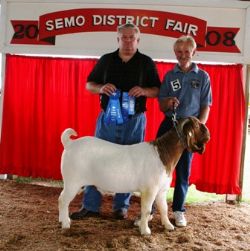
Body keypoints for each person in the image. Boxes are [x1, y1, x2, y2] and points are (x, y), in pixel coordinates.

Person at [70, 23, 161, 220]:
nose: (128, 41)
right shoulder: (106, 60)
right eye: (124, 37)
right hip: (107, 120)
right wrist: (101, 88)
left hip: (135, 121)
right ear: (117, 39)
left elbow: (158, 90)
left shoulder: (146, 62)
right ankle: (90, 205)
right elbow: (89, 85)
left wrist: (145, 91)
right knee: (97, 160)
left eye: (132, 38)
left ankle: (121, 207)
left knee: (131, 164)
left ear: (138, 40)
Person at [156, 35, 212, 227]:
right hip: (169, 126)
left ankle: (179, 210)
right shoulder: (169, 76)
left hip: (189, 128)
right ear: (175, 53)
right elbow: (161, 105)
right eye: (179, 52)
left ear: (193, 52)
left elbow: (206, 105)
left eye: (186, 51)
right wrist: (168, 102)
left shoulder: (203, 76)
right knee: (158, 169)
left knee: (182, 171)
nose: (182, 55)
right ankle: (151, 210)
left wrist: (198, 128)